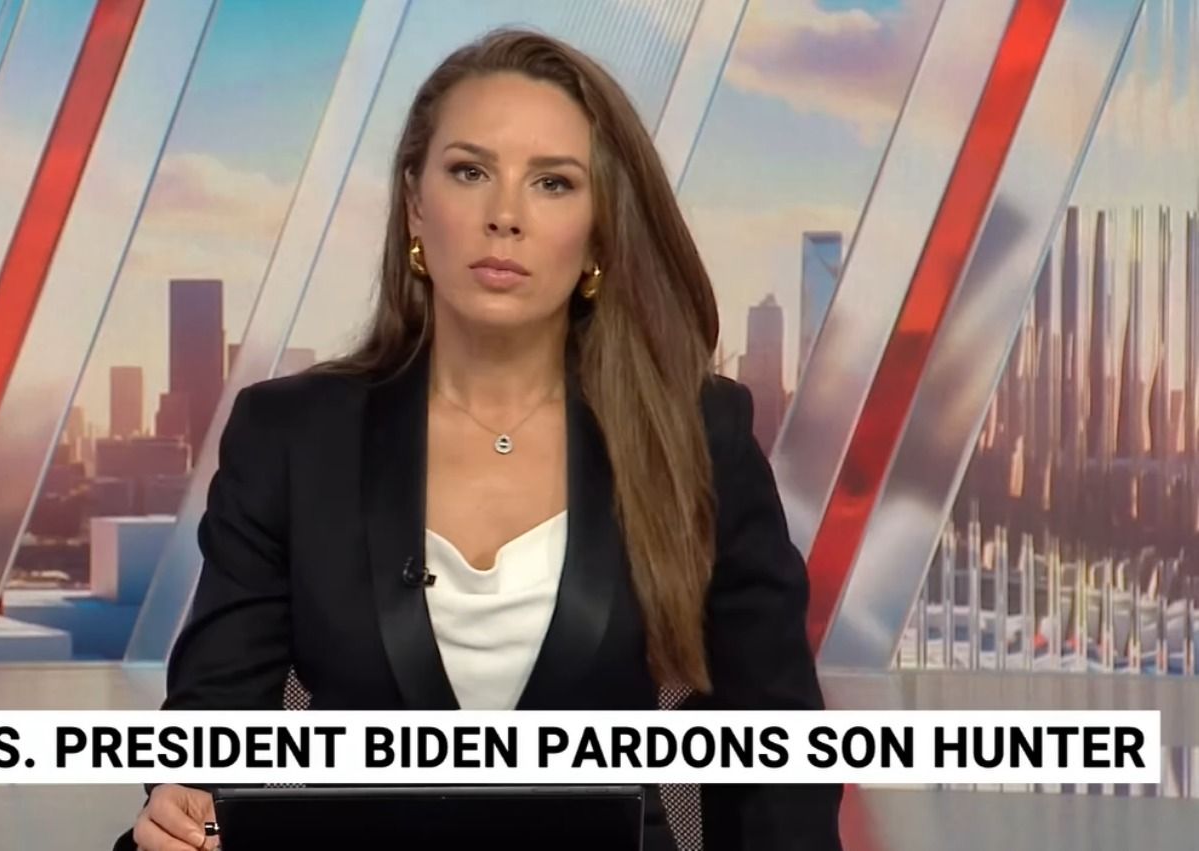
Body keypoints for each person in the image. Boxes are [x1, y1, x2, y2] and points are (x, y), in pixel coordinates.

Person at [125, 28, 841, 851]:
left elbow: (775, 753)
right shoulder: (290, 435)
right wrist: (183, 804)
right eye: (470, 172)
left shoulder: (694, 434)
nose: (504, 216)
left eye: (552, 182)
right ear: (414, 204)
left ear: (599, 230)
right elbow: (213, 726)